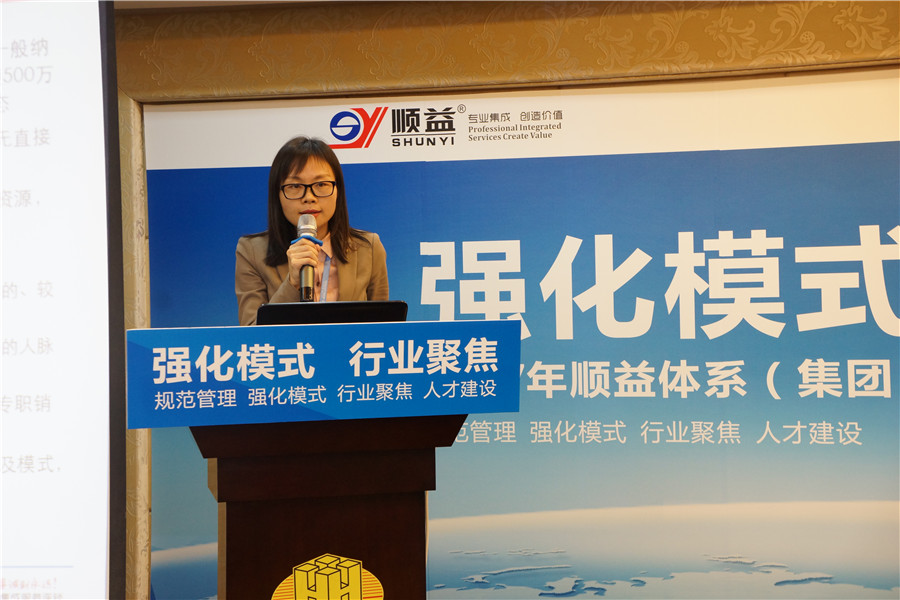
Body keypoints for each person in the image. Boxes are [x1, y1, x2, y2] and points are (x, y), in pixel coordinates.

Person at [235, 136, 389, 325]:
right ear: (278, 194)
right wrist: (291, 283)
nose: (309, 197)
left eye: (321, 184)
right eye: (295, 186)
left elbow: (384, 328)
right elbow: (251, 332)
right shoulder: (251, 251)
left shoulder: (369, 248)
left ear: (338, 190)